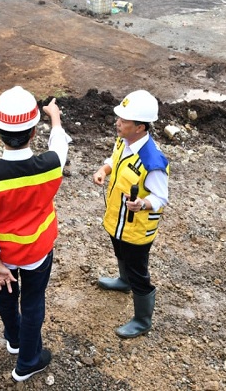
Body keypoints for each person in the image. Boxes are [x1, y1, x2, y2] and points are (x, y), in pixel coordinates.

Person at [0, 86, 70, 382]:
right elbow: (60, 145)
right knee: (33, 302)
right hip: (38, 252)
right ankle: (28, 361)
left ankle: (14, 340)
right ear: (33, 132)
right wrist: (55, 119)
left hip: (3, 255)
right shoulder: (50, 165)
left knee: (6, 298)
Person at [92, 90, 169, 338]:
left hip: (136, 227)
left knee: (138, 271)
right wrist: (104, 170)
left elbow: (160, 198)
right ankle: (123, 282)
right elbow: (115, 160)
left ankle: (143, 319)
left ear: (140, 127)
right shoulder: (123, 142)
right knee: (119, 251)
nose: (118, 122)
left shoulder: (152, 161)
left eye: (123, 120)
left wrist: (143, 204)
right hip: (118, 220)